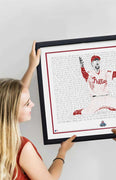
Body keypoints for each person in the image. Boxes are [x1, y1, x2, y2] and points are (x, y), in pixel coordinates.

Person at [0, 41, 76, 180]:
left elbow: (14, 98)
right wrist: (62, 152)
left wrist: (32, 67)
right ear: (12, 112)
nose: (33, 105)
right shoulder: (22, 148)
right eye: (27, 104)